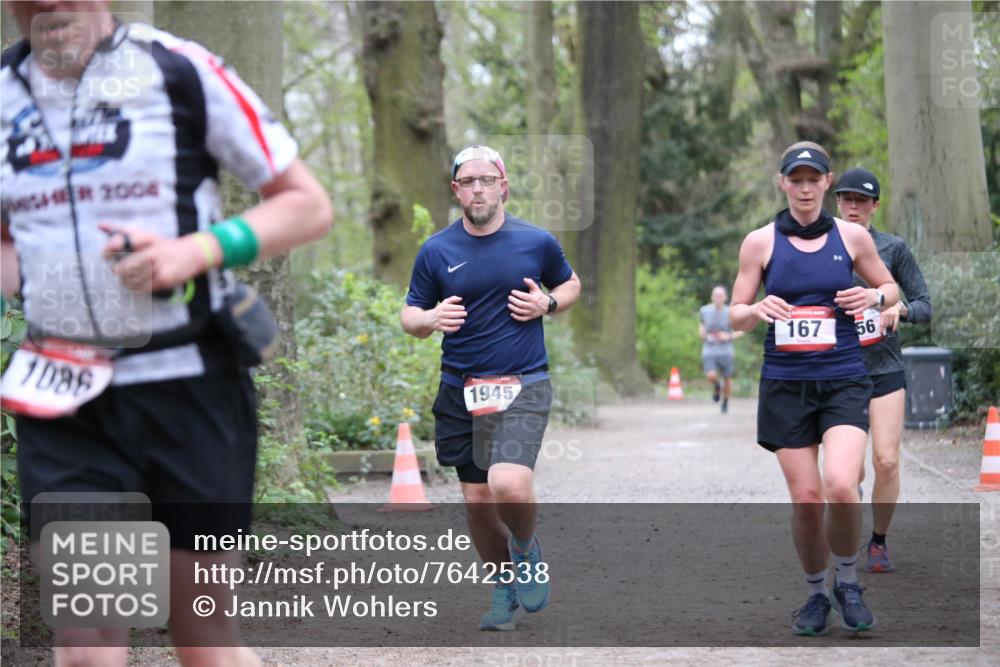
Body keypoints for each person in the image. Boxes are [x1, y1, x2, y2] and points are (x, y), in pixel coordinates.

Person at [1, 3, 333, 665]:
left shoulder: (179, 69)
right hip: (66, 401)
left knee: (200, 634)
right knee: (88, 638)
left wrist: (200, 249)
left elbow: (307, 204)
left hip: (191, 387)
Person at [401, 145, 580, 631]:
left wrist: (547, 304)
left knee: (508, 483)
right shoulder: (436, 250)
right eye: (468, 181)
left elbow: (570, 284)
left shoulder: (536, 241)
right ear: (456, 190)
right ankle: (503, 589)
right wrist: (429, 319)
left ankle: (524, 546)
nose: (477, 188)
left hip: (524, 382)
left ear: (503, 185)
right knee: (478, 501)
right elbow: (410, 315)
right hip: (461, 388)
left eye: (486, 179)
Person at [730, 141, 898, 636]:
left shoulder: (852, 238)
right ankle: (815, 593)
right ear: (782, 183)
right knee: (807, 498)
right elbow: (735, 314)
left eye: (814, 179)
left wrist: (872, 294)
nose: (805, 188)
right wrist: (756, 311)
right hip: (785, 384)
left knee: (842, 486)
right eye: (795, 179)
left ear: (828, 183)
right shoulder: (758, 243)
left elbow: (890, 290)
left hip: (843, 377)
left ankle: (848, 582)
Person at [835, 167, 932, 574]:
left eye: (861, 200)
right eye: (846, 199)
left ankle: (878, 543)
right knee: (850, 471)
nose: (853, 207)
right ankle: (846, 523)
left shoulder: (892, 248)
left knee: (887, 461)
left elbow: (925, 305)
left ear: (875, 206)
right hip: (838, 371)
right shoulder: (820, 249)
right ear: (836, 202)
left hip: (885, 369)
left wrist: (900, 308)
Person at [699, 285, 743, 413]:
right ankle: (717, 386)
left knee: (727, 378)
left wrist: (728, 336)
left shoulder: (730, 312)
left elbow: (741, 332)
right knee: (711, 375)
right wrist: (705, 335)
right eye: (715, 295)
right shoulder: (704, 310)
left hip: (726, 349)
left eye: (720, 296)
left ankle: (725, 402)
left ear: (725, 297)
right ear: (712, 297)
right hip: (710, 347)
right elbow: (701, 329)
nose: (717, 298)